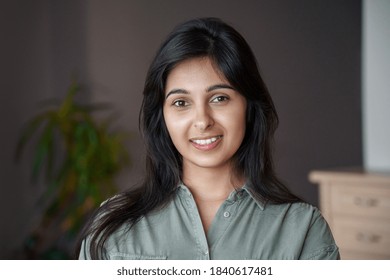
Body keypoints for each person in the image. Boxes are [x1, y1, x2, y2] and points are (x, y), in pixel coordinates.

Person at [77, 17, 339, 260]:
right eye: (181, 102)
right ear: (162, 116)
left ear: (249, 106)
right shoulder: (113, 226)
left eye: (219, 98)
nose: (202, 121)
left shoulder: (304, 230)